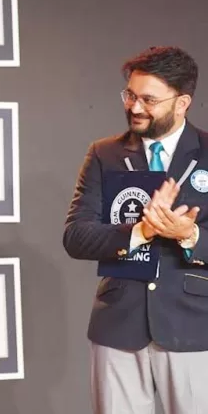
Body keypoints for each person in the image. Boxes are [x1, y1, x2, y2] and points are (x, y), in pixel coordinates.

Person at [63, 46, 208, 414]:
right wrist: (140, 232)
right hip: (118, 325)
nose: (135, 107)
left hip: (194, 327)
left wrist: (188, 235)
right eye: (130, 95)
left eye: (149, 99)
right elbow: (75, 236)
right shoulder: (104, 154)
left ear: (182, 103)